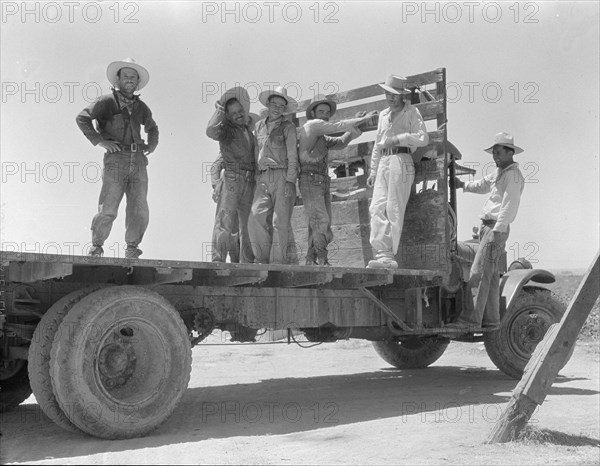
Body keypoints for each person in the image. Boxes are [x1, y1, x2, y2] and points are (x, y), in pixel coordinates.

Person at [76, 58, 158, 259]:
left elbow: (153, 128)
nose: (129, 80)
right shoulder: (106, 102)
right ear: (118, 80)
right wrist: (100, 141)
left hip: (138, 161)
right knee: (109, 207)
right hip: (116, 159)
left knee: (139, 208)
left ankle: (132, 249)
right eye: (126, 76)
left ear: (137, 82)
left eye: (133, 77)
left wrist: (151, 145)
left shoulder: (142, 107)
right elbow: (82, 118)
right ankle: (96, 247)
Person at [445, 132, 526, 333]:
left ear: (510, 152)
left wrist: (498, 231)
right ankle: (491, 321)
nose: (494, 156)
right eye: (493, 153)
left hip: (495, 228)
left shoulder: (513, 176)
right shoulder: (501, 172)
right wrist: (463, 185)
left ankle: (469, 321)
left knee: (478, 273)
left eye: (498, 152)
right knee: (489, 277)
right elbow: (483, 184)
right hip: (489, 228)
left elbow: (509, 205)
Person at [298, 94, 377, 265]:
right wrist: (359, 120)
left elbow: (340, 142)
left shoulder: (322, 136)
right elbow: (337, 126)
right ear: (313, 114)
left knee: (319, 221)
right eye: (321, 111)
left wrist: (355, 127)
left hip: (320, 180)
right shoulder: (312, 126)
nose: (325, 114)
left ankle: (311, 259)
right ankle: (322, 258)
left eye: (327, 112)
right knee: (321, 219)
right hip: (310, 179)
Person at [366, 74, 429, 269]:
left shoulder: (411, 112)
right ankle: (382, 253)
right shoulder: (383, 115)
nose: (390, 97)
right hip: (384, 161)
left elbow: (423, 138)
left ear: (402, 95)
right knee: (376, 207)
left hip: (401, 160)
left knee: (394, 208)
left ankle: (388, 257)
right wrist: (373, 170)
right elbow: (377, 144)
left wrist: (400, 138)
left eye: (394, 94)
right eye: (387, 93)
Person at [206, 87, 258, 263]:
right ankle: (218, 260)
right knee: (225, 220)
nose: (238, 115)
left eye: (240, 111)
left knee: (247, 225)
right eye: (233, 113)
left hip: (249, 181)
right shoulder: (226, 131)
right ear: (227, 116)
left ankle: (247, 262)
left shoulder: (250, 134)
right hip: (232, 179)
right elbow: (210, 131)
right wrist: (219, 110)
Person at [248, 86, 299, 264]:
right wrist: (256, 175)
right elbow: (256, 152)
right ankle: (262, 259)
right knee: (255, 216)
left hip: (282, 175)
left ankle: (278, 263)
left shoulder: (288, 127)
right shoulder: (259, 126)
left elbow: (293, 155)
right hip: (262, 177)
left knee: (280, 221)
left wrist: (290, 181)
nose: (277, 108)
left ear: (285, 109)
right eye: (274, 104)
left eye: (281, 106)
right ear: (268, 104)